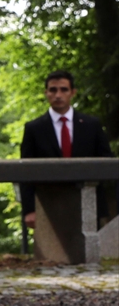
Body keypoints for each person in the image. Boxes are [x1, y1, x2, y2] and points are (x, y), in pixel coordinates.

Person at [19, 70, 114, 228]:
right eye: (53, 90)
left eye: (64, 89)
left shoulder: (91, 125)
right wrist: (29, 209)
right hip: (49, 204)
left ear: (73, 93)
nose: (58, 95)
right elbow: (25, 171)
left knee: (89, 250)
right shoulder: (34, 128)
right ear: (46, 93)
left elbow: (106, 163)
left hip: (88, 202)